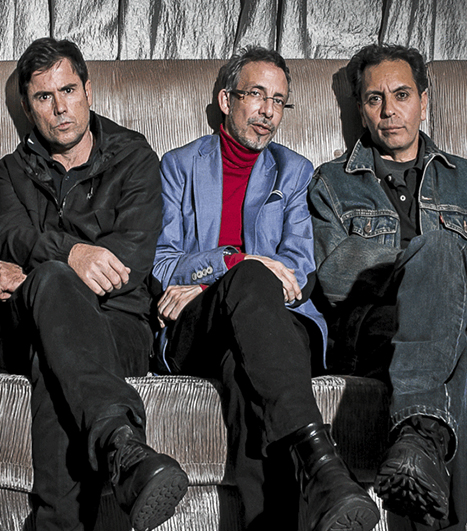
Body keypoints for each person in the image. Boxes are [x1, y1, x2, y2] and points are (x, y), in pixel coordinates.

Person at [309, 43, 467, 530]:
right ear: (361, 110)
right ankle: (424, 443)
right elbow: (333, 275)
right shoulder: (332, 183)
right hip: (380, 334)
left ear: (424, 101)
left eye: (402, 94)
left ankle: (417, 438)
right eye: (374, 99)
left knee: (445, 275)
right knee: (442, 277)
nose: (389, 111)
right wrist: (434, 262)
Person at [151, 46, 379, 531]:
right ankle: (321, 462)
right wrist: (234, 265)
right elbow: (162, 266)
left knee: (243, 373)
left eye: (279, 101)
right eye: (257, 95)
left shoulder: (294, 171)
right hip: (198, 326)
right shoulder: (178, 166)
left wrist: (220, 280)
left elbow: (298, 271)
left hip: (276, 325)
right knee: (252, 275)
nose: (268, 111)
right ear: (226, 99)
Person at [0, 38, 188, 531]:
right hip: (29, 322)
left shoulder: (134, 156)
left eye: (68, 90)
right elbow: (8, 235)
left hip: (122, 324)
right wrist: (72, 255)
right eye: (43, 97)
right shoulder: (10, 173)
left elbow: (128, 262)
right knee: (53, 292)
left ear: (87, 90)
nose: (60, 108)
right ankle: (122, 445)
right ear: (28, 108)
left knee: (56, 358)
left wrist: (41, 263)